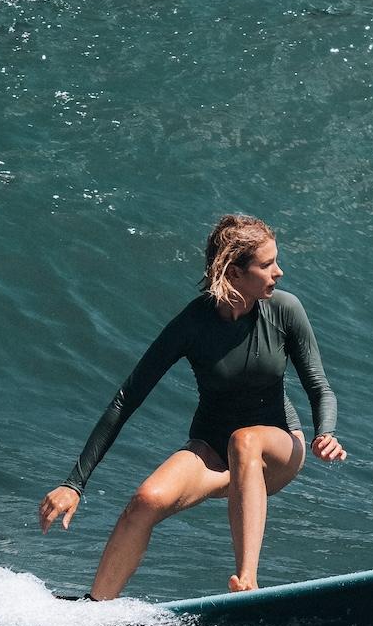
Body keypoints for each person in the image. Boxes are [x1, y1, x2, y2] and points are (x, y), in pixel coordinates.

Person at [37, 214, 346, 599]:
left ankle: (246, 583)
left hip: (279, 446)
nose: (278, 272)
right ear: (235, 272)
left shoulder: (285, 310)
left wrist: (325, 432)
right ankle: (96, 606)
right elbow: (126, 398)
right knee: (145, 502)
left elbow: (319, 386)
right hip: (213, 450)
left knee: (245, 440)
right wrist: (74, 483)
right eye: (267, 264)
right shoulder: (193, 323)